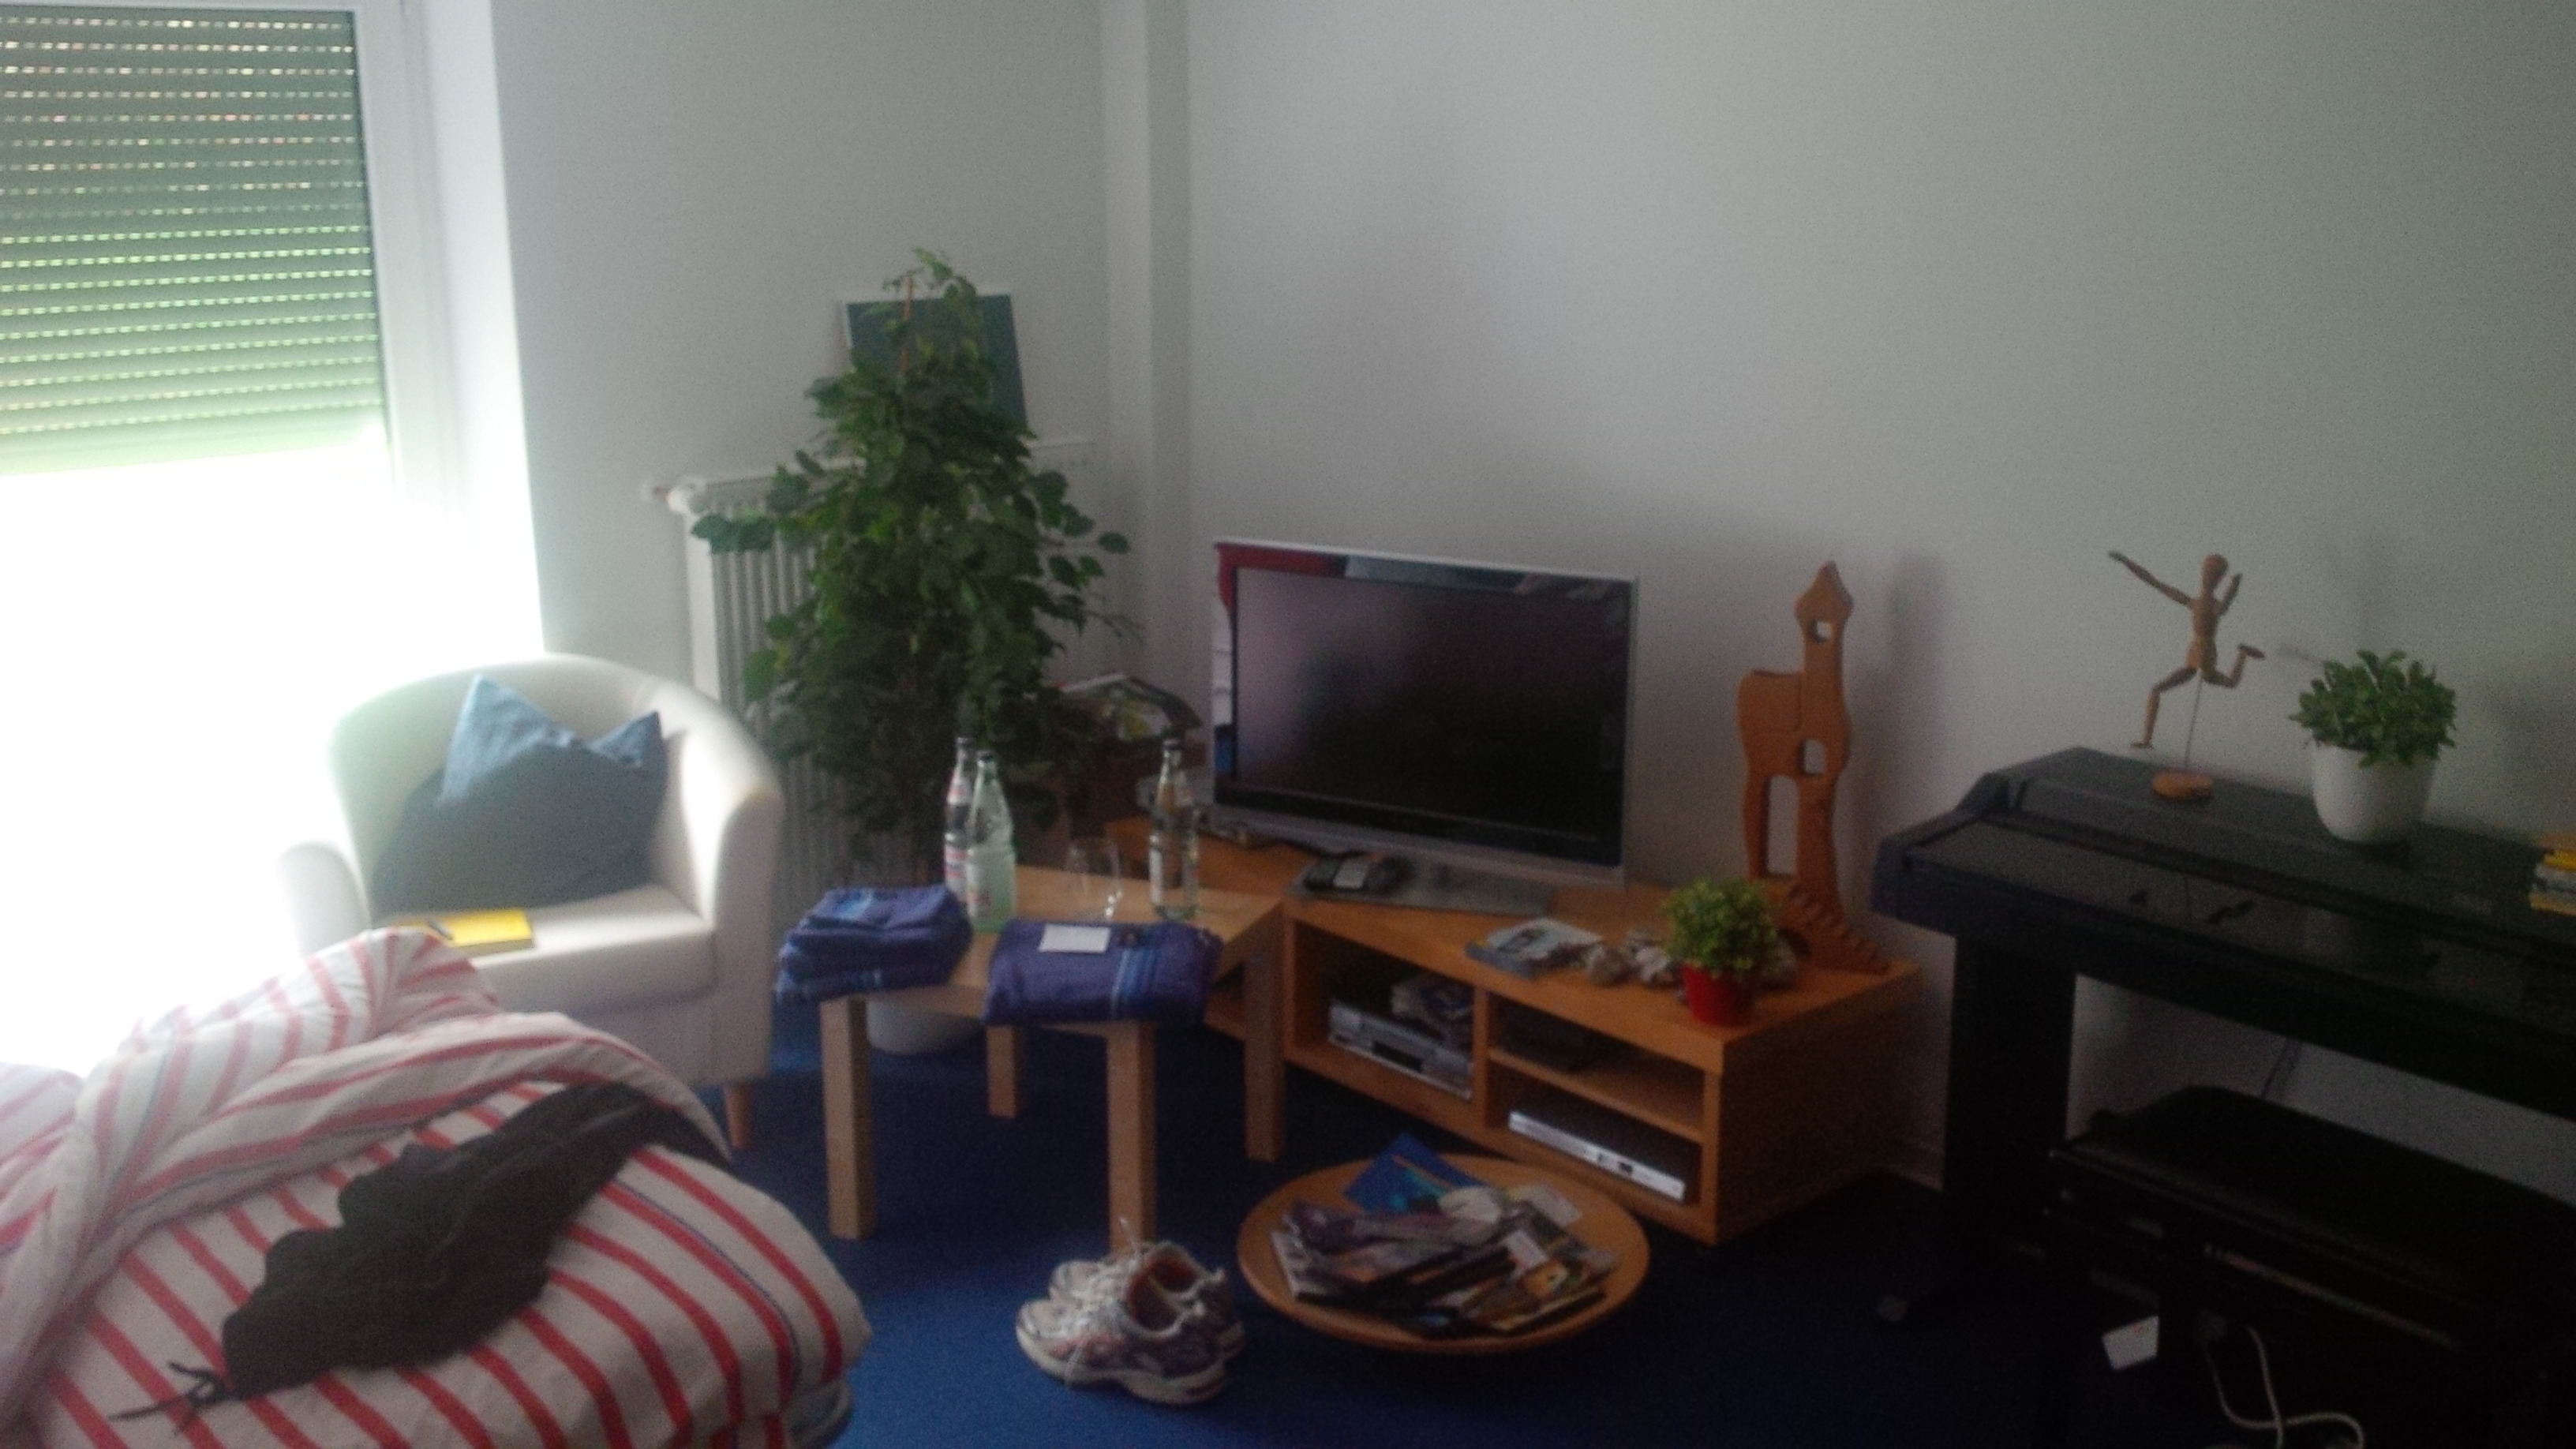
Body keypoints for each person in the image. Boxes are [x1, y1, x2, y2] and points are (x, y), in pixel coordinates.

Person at [2110, 551, 2264, 750]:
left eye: (2213, 574)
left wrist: (2233, 588)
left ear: (2219, 579)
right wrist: (2126, 562)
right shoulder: (2193, 602)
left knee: (2224, 681)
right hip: (2194, 653)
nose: (2207, 577)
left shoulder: (2212, 605)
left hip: (2206, 654)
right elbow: (2154, 582)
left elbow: (2224, 607)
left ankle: (2243, 654)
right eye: (2206, 572)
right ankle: (2147, 740)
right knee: (2157, 690)